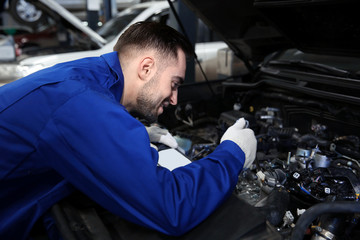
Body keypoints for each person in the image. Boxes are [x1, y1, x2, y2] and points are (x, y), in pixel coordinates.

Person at [0, 21, 257, 239]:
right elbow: (171, 206)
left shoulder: (86, 76)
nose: (175, 99)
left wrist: (133, 133)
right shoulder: (80, 102)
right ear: (146, 68)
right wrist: (233, 153)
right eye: (174, 84)